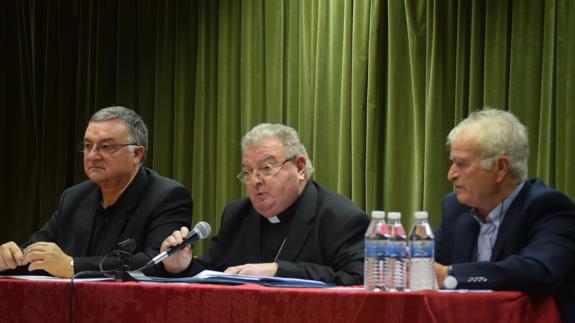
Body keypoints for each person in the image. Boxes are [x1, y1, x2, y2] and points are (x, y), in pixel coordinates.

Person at [160, 123, 369, 285]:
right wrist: (181, 266)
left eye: (267, 168)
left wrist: (278, 271)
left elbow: (358, 278)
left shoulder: (340, 217)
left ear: (300, 168)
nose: (255, 180)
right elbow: (212, 274)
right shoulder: (237, 214)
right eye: (247, 172)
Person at [0, 106, 192, 278]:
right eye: (87, 146)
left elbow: (156, 262)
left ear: (136, 154)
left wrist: (72, 266)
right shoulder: (74, 197)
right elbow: (37, 253)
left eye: (106, 146)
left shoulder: (167, 196)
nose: (92, 155)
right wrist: (11, 258)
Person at [434, 109, 575, 322]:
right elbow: (428, 264)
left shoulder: (547, 207)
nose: (451, 174)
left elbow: (539, 271)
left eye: (462, 164)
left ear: (501, 167)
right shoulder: (455, 209)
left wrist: (451, 275)